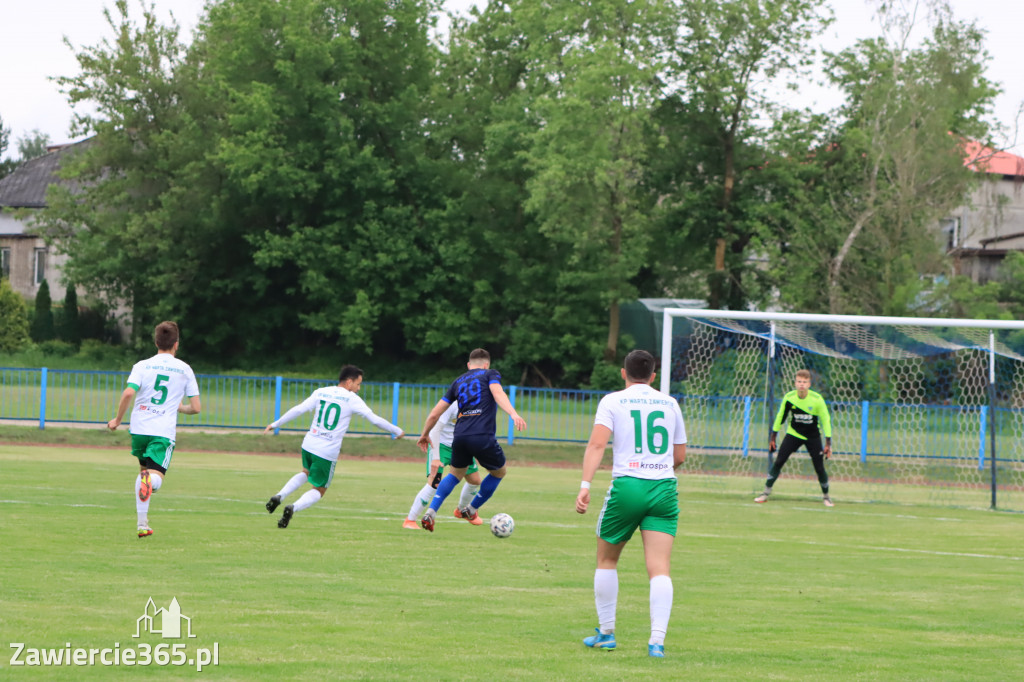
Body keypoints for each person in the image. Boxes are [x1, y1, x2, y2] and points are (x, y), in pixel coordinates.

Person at [575, 349, 687, 658]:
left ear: (623, 373)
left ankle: (607, 633)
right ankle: (657, 641)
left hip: (627, 486)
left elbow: (598, 444)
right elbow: (679, 457)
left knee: (607, 560)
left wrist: (585, 486)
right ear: (653, 376)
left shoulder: (612, 401)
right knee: (660, 568)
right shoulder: (671, 403)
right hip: (664, 489)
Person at [264, 365, 404, 528]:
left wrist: (276, 424)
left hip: (308, 444)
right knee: (320, 489)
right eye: (358, 384)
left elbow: (299, 409)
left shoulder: (321, 391)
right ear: (349, 382)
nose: (358, 389)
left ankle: (280, 495)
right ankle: (292, 507)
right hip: (326, 450)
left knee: (305, 472)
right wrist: (397, 430)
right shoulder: (351, 399)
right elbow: (374, 419)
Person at [107, 321, 201, 538]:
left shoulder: (142, 365)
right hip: (162, 431)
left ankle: (142, 525)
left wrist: (118, 420)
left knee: (143, 476)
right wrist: (181, 408)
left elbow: (129, 393)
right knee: (153, 479)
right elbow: (196, 408)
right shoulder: (184, 369)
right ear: (176, 344)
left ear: (156, 342)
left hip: (139, 429)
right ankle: (151, 483)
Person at [416, 348, 526, 532]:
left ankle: (431, 511)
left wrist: (424, 434)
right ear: (486, 364)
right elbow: (498, 393)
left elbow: (435, 413)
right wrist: (513, 414)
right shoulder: (491, 374)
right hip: (482, 435)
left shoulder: (458, 382)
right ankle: (471, 509)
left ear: (469, 365)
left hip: (459, 437)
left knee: (455, 474)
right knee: (499, 472)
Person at [754, 369, 833, 507]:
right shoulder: (789, 397)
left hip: (813, 437)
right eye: (799, 382)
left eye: (804, 382)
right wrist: (773, 437)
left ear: (809, 384)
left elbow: (825, 420)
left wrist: (828, 443)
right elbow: (781, 417)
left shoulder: (817, 399)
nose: (801, 384)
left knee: (819, 468)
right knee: (779, 461)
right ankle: (765, 493)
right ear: (795, 383)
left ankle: (826, 497)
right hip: (793, 434)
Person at [402, 400, 484, 529]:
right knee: (434, 482)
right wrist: (435, 458)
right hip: (441, 445)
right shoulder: (451, 405)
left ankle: (461, 511)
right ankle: (410, 520)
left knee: (475, 480)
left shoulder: (478, 405)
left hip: (461, 447)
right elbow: (435, 429)